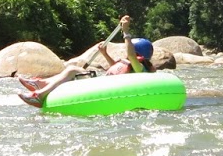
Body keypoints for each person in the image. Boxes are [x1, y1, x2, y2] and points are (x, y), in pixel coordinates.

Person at [19, 16, 153, 108]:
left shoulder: (140, 67)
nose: (126, 51)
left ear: (137, 52)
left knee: (73, 70)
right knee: (73, 68)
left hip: (106, 90)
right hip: (104, 85)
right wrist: (105, 54)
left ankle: (40, 95)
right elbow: (116, 69)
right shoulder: (132, 65)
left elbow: (130, 54)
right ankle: (41, 84)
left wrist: (126, 32)